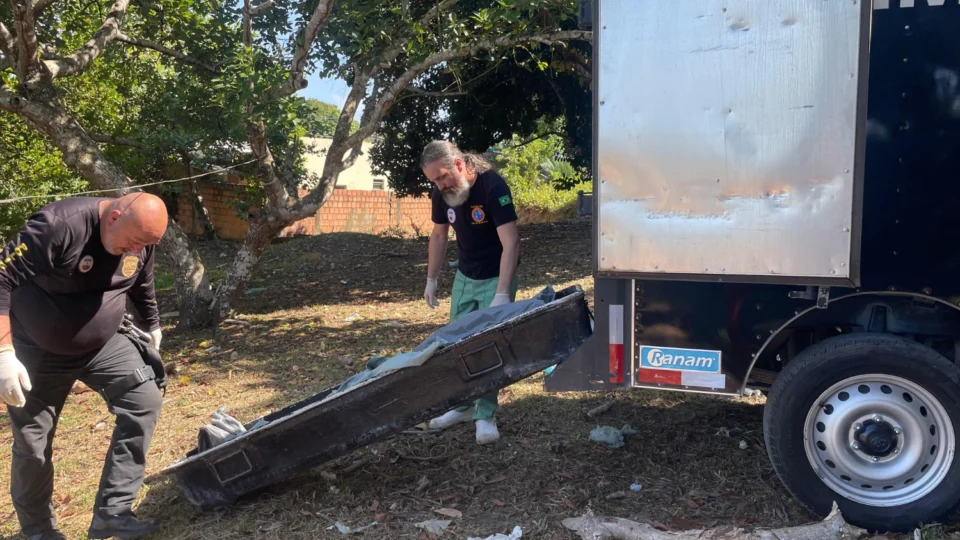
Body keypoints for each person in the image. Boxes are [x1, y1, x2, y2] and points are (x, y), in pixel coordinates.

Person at [0, 193, 169, 540]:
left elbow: (142, 281)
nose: (136, 252)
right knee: (33, 443)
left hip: (103, 344)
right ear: (114, 217)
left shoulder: (140, 240)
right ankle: (38, 530)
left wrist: (152, 324)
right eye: (134, 242)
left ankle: (113, 511)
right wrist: (3, 351)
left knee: (143, 401)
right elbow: (1, 278)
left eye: (146, 245)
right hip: (38, 349)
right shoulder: (58, 226)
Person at [421, 140, 520, 445]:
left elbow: (512, 243)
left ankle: (485, 415)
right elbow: (439, 235)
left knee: (488, 346)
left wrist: (502, 293)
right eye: (434, 181)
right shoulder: (443, 193)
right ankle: (463, 406)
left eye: (442, 177)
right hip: (465, 274)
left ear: (459, 165)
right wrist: (432, 278)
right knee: (457, 343)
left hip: (495, 275)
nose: (440, 185)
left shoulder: (492, 187)